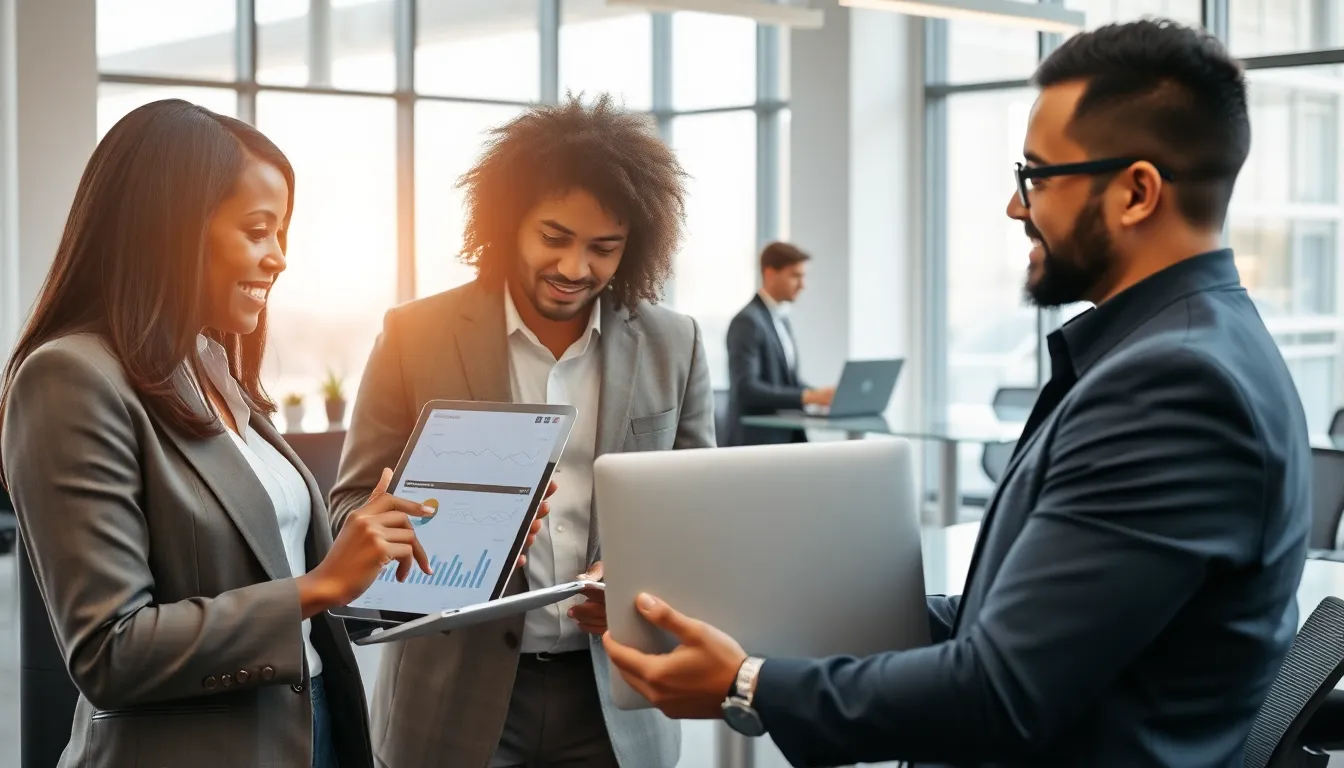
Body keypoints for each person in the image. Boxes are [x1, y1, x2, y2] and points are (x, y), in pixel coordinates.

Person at [603, 19, 1311, 768]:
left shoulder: (1176, 386)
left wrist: (748, 684)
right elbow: (1009, 630)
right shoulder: (1179, 350)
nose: (1016, 207)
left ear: (1136, 192)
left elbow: (999, 693)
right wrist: (724, 613)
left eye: (1035, 176)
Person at [0, 99, 549, 768]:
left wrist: (459, 542)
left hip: (312, 733)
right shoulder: (71, 377)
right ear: (170, 229)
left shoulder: (210, 366)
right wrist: (321, 584)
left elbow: (284, 573)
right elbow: (112, 651)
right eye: (259, 230)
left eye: (282, 233)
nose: (279, 258)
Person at [329, 93, 716, 768]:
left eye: (603, 248)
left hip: (613, 700)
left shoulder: (673, 343)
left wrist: (633, 578)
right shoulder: (414, 336)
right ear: (509, 223)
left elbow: (698, 515)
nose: (574, 269)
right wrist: (434, 526)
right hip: (453, 698)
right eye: (554, 237)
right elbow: (349, 510)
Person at [725, 241, 834, 446]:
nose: (803, 284)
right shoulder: (747, 321)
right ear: (770, 274)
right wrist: (808, 396)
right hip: (757, 442)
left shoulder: (781, 319)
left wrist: (820, 395)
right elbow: (747, 388)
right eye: (795, 276)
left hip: (786, 436)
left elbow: (785, 381)